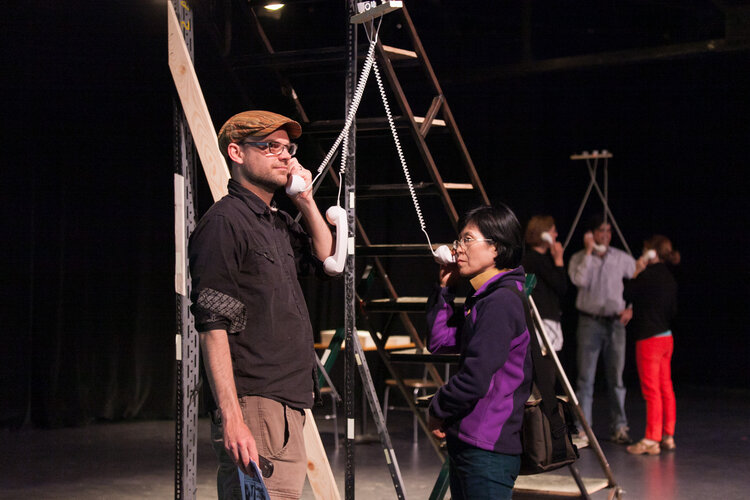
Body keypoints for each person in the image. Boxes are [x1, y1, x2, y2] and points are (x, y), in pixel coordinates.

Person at [189, 110, 335, 500]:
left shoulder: (274, 221)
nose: (284, 156)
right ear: (236, 152)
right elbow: (212, 324)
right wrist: (233, 416)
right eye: (270, 146)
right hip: (255, 402)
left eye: (288, 148)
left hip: (283, 403)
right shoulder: (225, 223)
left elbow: (327, 260)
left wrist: (304, 199)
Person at [426, 204, 533, 500]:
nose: (458, 248)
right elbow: (440, 342)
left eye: (468, 240)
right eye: (459, 240)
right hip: (471, 444)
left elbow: (474, 378)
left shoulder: (501, 302)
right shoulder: (483, 298)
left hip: (487, 449)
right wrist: (445, 290)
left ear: (496, 248)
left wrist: (437, 408)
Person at [568, 214, 635, 446]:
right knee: (586, 378)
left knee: (616, 378)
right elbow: (579, 281)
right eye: (600, 231)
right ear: (592, 234)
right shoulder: (579, 257)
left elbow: (641, 280)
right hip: (590, 322)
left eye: (608, 231)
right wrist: (588, 253)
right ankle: (583, 429)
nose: (605, 236)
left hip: (616, 324)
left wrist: (631, 308)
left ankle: (619, 426)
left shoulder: (621, 258)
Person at [624, 235, 680, 455]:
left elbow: (627, 293)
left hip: (649, 338)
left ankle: (651, 438)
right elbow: (672, 311)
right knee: (665, 386)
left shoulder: (647, 275)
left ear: (651, 252)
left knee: (651, 389)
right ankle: (668, 435)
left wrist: (637, 270)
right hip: (666, 337)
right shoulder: (669, 278)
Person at [522, 215, 568, 352]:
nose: (556, 235)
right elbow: (561, 286)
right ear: (543, 234)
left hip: (547, 319)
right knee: (546, 367)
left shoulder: (543, 260)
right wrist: (559, 261)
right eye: (553, 231)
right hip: (542, 320)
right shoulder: (534, 260)